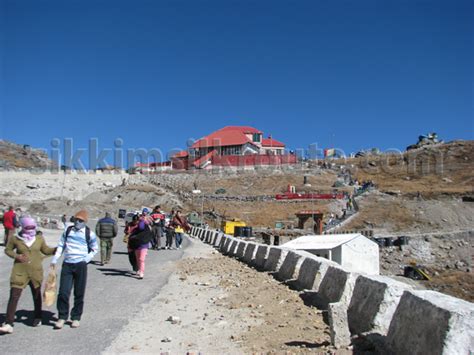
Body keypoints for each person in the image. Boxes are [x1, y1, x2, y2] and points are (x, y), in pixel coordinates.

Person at [0, 218, 56, 334]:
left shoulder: (39, 238)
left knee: (36, 295)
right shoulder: (16, 238)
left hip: (35, 272)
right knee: (14, 296)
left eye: (32, 227)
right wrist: (17, 256)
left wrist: (57, 249)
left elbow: (46, 250)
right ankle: (9, 323)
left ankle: (38, 317)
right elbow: (8, 250)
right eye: (28, 228)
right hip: (20, 271)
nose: (30, 230)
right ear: (22, 227)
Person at [50, 210, 98, 330]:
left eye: (81, 221)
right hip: (67, 264)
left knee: (79, 292)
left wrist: (85, 259)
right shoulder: (68, 231)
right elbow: (61, 245)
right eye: (76, 220)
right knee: (63, 292)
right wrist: (55, 259)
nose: (78, 222)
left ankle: (76, 317)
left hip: (80, 265)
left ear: (85, 222)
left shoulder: (89, 234)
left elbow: (94, 248)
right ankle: (62, 316)